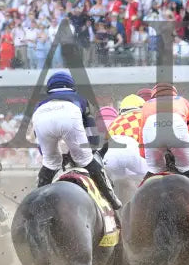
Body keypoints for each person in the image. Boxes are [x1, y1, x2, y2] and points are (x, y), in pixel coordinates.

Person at [31, 70, 122, 209]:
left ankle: (36, 203)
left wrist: (49, 159)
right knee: (85, 160)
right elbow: (90, 127)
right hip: (70, 114)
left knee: (50, 164)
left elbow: (38, 139)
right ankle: (111, 198)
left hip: (41, 117)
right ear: (71, 85)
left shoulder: (40, 103)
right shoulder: (80, 98)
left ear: (49, 88)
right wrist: (91, 150)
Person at [138, 82, 189, 219]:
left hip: (151, 130)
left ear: (153, 95)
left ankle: (138, 209)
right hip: (177, 129)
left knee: (153, 173)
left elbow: (142, 151)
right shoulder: (184, 102)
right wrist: (185, 161)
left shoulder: (146, 106)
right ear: (174, 94)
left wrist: (155, 165)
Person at [99, 104, 148, 183]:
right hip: (130, 148)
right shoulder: (144, 117)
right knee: (148, 175)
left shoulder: (116, 120)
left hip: (110, 152)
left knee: (115, 182)